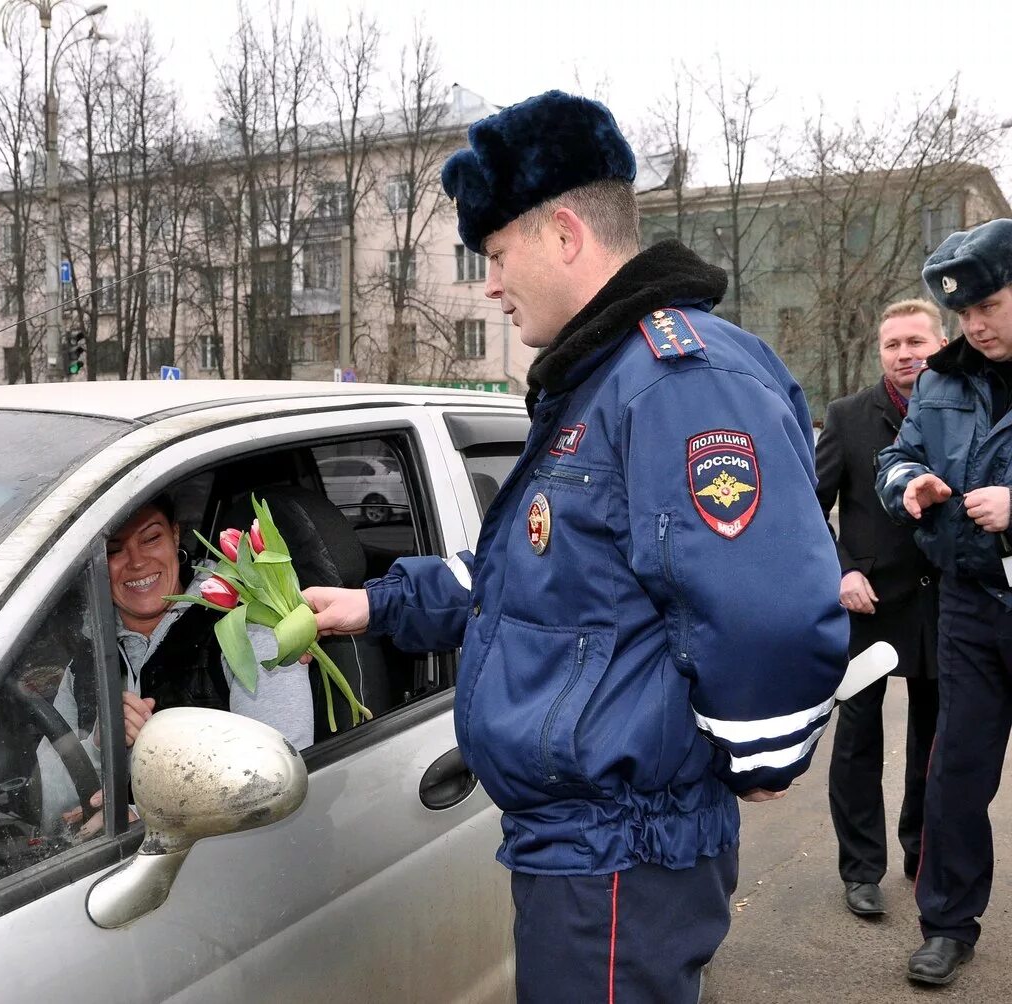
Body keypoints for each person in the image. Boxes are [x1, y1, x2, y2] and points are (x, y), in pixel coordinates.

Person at [302, 90, 847, 1003]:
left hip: (623, 852)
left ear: (564, 234)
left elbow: (770, 609)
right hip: (586, 849)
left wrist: (762, 756)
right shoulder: (598, 386)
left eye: (497, 253)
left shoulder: (676, 379)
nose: (488, 283)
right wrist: (376, 603)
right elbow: (537, 580)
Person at [876, 217, 1012, 986]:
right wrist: (910, 486)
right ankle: (948, 925)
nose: (975, 325)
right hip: (968, 603)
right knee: (955, 772)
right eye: (964, 313)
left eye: (989, 305)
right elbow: (897, 455)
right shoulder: (942, 378)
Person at [39, 493, 314, 834]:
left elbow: (280, 777)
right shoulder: (84, 661)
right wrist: (99, 745)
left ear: (175, 535)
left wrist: (149, 816)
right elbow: (46, 802)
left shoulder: (246, 630)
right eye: (113, 550)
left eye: (151, 538)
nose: (137, 562)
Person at [817, 299, 944, 919]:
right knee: (858, 741)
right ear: (880, 353)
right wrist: (840, 572)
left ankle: (922, 853)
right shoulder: (846, 418)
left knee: (933, 740)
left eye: (917, 342)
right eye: (893, 344)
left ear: (940, 346)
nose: (905, 355)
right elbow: (808, 515)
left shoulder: (963, 411)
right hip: (867, 606)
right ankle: (862, 870)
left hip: (942, 604)